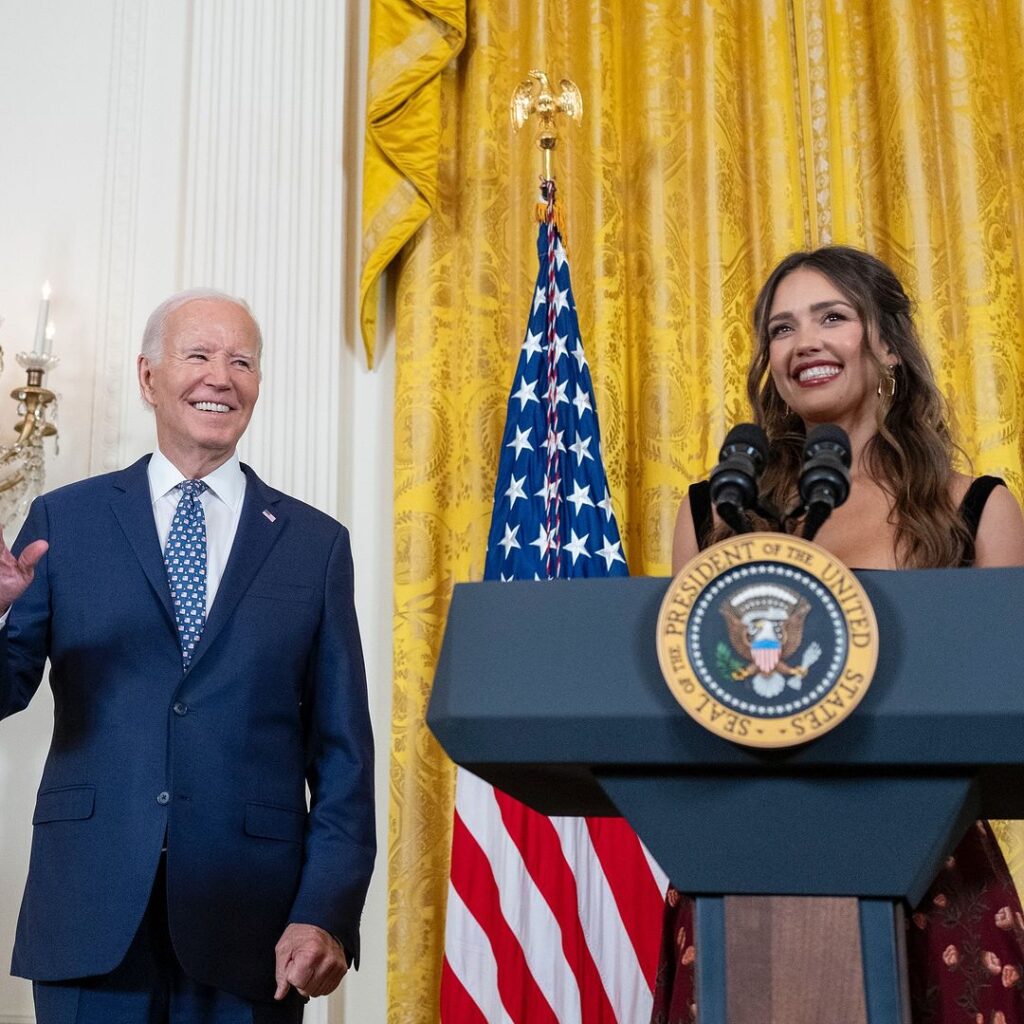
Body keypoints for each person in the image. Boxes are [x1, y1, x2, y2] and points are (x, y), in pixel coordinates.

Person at [651, 246, 1024, 1024]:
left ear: (885, 343)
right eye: (781, 328)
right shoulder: (712, 511)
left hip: (934, 862)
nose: (804, 342)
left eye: (832, 317)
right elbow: (682, 692)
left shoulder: (977, 510)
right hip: (741, 854)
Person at [0, 290, 375, 1024]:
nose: (220, 377)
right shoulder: (63, 521)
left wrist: (326, 911)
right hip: (88, 909)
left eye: (242, 361)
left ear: (258, 386)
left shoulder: (314, 545)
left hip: (255, 927)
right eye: (198, 355)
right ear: (148, 378)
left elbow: (343, 755)